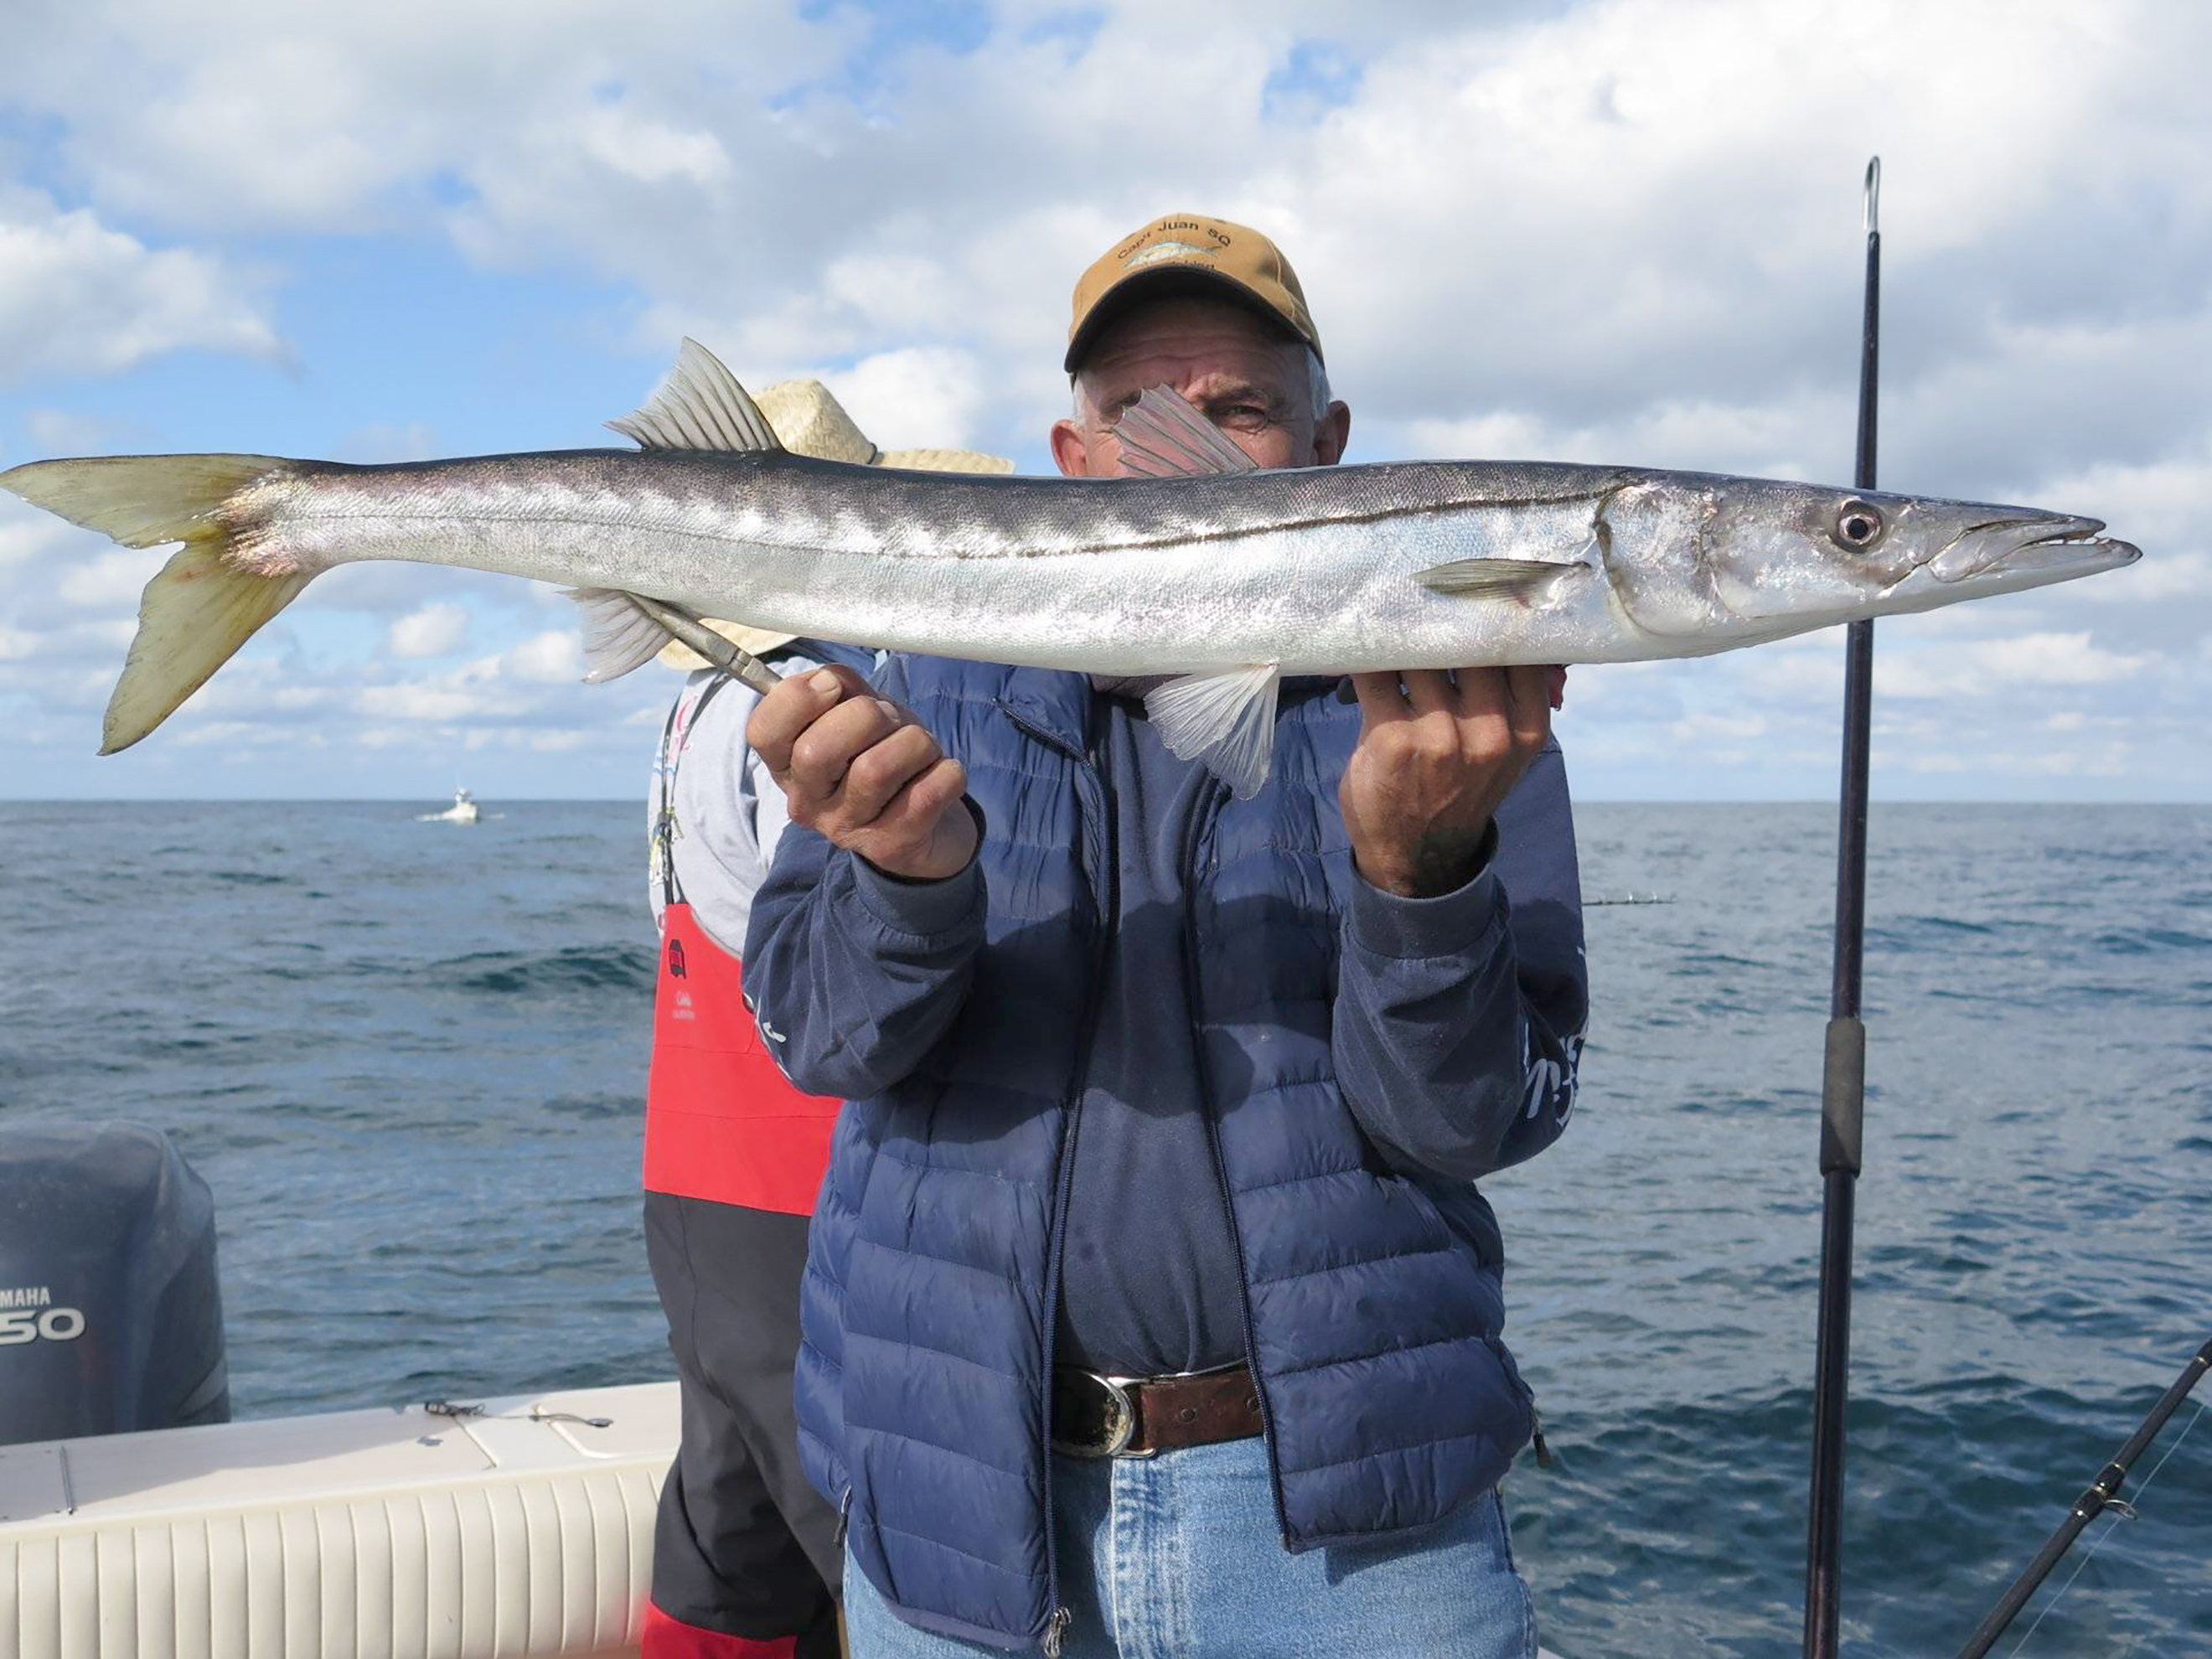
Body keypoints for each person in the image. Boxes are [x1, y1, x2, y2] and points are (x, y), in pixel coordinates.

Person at [742, 214, 1589, 1657]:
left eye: (1240, 407)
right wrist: (909, 883)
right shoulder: (918, 669)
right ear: (1074, 459)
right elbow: (820, 1043)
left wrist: (1421, 871)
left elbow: (1471, 1122)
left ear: (1328, 443)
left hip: (1358, 1534)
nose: (1184, 444)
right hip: (959, 1506)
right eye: (1138, 409)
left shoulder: (1456, 716)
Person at [638, 380, 1011, 1659]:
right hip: (804, 1174)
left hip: (688, 1179)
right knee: (858, 1526)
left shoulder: (689, 706)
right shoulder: (813, 700)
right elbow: (826, 953)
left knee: (724, 1522)